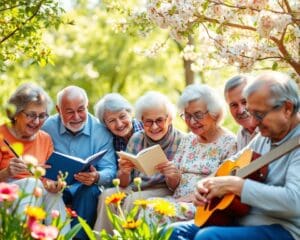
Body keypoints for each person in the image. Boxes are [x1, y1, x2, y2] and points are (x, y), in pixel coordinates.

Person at [169, 71, 300, 240]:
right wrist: (208, 183)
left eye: (258, 114)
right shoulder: (264, 135)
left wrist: (237, 186)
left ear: (287, 108)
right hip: (242, 219)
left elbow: (294, 201)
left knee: (208, 237)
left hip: (283, 229)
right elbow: (233, 161)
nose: (253, 121)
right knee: (172, 232)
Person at [141, 84, 237, 224]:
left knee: (153, 209)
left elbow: (219, 185)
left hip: (202, 205)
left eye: (198, 115)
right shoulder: (188, 139)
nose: (192, 121)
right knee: (145, 205)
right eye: (187, 115)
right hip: (178, 200)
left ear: (214, 113)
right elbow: (174, 186)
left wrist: (180, 201)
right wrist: (172, 177)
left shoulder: (229, 143)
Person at [94, 91, 184, 234]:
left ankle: (125, 237)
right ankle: (101, 237)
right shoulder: (136, 138)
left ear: (169, 119)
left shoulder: (181, 140)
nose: (154, 127)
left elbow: (177, 186)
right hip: (137, 186)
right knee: (107, 195)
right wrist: (124, 172)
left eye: (159, 120)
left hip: (163, 188)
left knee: (133, 200)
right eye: (148, 121)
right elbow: (123, 183)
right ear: (142, 120)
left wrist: (172, 174)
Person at [42, 86, 117, 240]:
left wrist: (97, 176)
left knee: (89, 191)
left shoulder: (101, 132)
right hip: (57, 186)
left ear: (87, 105)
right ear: (58, 109)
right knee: (49, 193)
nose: (76, 117)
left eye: (81, 110)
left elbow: (110, 169)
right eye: (69, 111)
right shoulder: (46, 127)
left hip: (86, 190)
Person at [0, 83, 69, 231]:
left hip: (36, 193)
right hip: (5, 197)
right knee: (32, 184)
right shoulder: (1, 135)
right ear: (16, 113)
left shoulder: (45, 139)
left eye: (42, 116)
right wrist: (6, 173)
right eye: (31, 115)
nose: (37, 122)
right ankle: (21, 234)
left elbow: (48, 177)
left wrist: (53, 184)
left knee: (54, 195)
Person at [224, 75, 258, 150]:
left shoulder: (272, 128)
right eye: (234, 105)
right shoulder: (241, 134)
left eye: (244, 102)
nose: (241, 110)